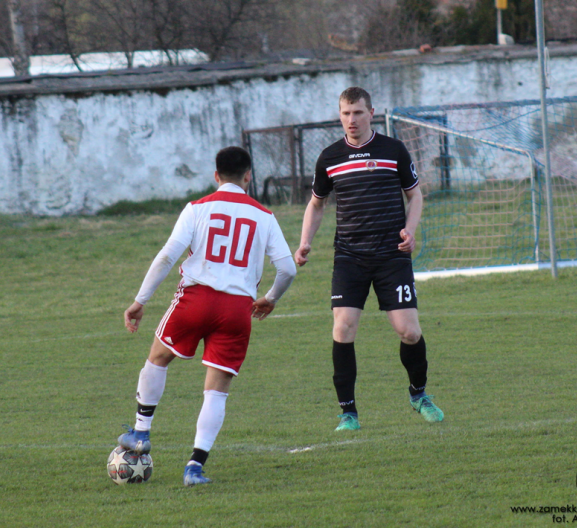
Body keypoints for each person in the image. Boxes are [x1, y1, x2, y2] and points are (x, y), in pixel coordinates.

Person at [118, 146, 296, 486]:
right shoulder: (264, 216)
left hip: (195, 299)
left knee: (157, 358)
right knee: (216, 391)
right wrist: (271, 298)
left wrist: (141, 300)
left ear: (216, 176)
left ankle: (141, 433)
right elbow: (287, 269)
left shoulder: (197, 208)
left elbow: (168, 255)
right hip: (236, 310)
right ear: (248, 177)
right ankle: (195, 467)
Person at [294, 86, 444, 431]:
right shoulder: (330, 157)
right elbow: (316, 204)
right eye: (345, 114)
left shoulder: (393, 150)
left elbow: (415, 195)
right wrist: (304, 242)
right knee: (343, 327)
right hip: (349, 256)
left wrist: (410, 230)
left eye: (358, 113)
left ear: (370, 113)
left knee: (408, 331)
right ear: (340, 116)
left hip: (392, 256)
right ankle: (348, 413)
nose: (351, 120)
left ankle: (418, 394)